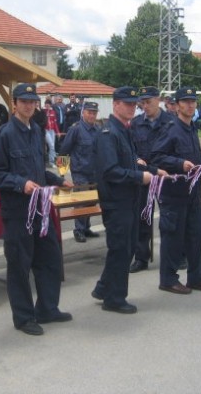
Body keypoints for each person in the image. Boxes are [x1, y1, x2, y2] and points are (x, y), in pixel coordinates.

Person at [0, 83, 73, 336]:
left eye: (32, 101)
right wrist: (21, 184)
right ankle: (24, 317)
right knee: (19, 265)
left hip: (41, 209)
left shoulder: (36, 130)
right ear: (14, 103)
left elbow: (39, 170)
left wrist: (58, 180)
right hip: (18, 211)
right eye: (24, 101)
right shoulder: (4, 134)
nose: (28, 105)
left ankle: (47, 308)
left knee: (49, 259)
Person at [91, 87, 154, 314]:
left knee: (125, 248)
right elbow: (110, 171)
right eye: (127, 104)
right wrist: (140, 176)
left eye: (133, 104)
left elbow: (129, 161)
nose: (131, 108)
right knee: (121, 249)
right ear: (115, 104)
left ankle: (103, 288)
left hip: (129, 198)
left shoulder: (123, 130)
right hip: (116, 201)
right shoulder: (109, 133)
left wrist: (151, 170)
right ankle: (114, 299)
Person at [151, 87, 201, 295]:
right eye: (186, 101)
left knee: (196, 234)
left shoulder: (191, 129)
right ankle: (168, 279)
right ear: (178, 105)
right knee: (173, 235)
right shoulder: (171, 128)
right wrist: (180, 164)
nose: (190, 105)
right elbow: (157, 158)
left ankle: (196, 277)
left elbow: (195, 159)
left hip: (193, 193)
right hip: (174, 192)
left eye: (193, 101)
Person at [129, 86, 171, 272]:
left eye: (149, 102)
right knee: (142, 217)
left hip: (165, 176)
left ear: (158, 100)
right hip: (144, 177)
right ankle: (141, 257)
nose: (145, 106)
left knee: (170, 218)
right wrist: (136, 159)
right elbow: (130, 149)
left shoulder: (171, 121)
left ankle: (176, 254)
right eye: (142, 103)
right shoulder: (136, 123)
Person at [59, 101, 101, 243]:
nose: (92, 115)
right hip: (80, 172)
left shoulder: (98, 129)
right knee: (81, 201)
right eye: (89, 112)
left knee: (91, 201)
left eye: (94, 113)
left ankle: (86, 227)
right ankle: (78, 229)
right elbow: (64, 151)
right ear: (83, 113)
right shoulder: (75, 129)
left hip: (94, 172)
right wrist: (61, 175)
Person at [43, 99, 60, 167]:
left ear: (50, 104)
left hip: (52, 131)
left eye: (48, 104)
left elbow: (55, 123)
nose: (47, 105)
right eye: (46, 103)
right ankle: (51, 161)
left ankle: (52, 161)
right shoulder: (43, 111)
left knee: (52, 147)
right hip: (46, 130)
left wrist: (57, 132)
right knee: (51, 145)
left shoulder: (53, 111)